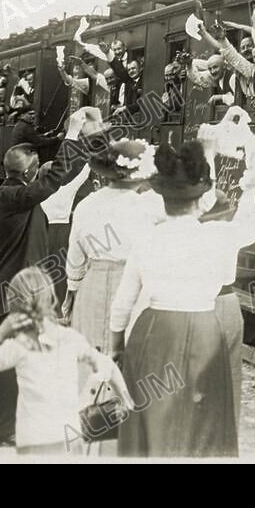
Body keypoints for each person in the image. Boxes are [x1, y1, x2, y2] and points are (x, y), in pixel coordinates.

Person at [109, 139, 255, 457]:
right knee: (203, 417)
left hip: (153, 330)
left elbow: (123, 302)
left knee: (153, 413)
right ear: (201, 202)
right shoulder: (218, 236)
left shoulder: (147, 239)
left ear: (164, 198)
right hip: (203, 330)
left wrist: (117, 345)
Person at [0, 107, 96, 446]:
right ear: (30, 171)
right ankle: (6, 427)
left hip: (2, 288)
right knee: (14, 362)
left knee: (1, 350)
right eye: (37, 169)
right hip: (16, 291)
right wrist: (73, 132)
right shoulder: (16, 198)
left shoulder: (2, 200)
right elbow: (56, 177)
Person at [0, 267, 132, 456]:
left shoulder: (18, 347)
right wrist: (126, 401)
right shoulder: (71, 338)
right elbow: (108, 366)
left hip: (33, 437)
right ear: (51, 299)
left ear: (14, 305)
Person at [63, 139, 157, 354]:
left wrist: (73, 290)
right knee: (126, 350)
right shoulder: (148, 205)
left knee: (90, 351)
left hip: (92, 281)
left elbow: (75, 255)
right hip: (133, 282)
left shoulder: (86, 204)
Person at [39, 160, 91, 307]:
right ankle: (58, 305)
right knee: (60, 270)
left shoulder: (35, 192)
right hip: (62, 233)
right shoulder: (65, 190)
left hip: (41, 231)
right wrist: (90, 158)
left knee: (42, 270)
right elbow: (83, 175)